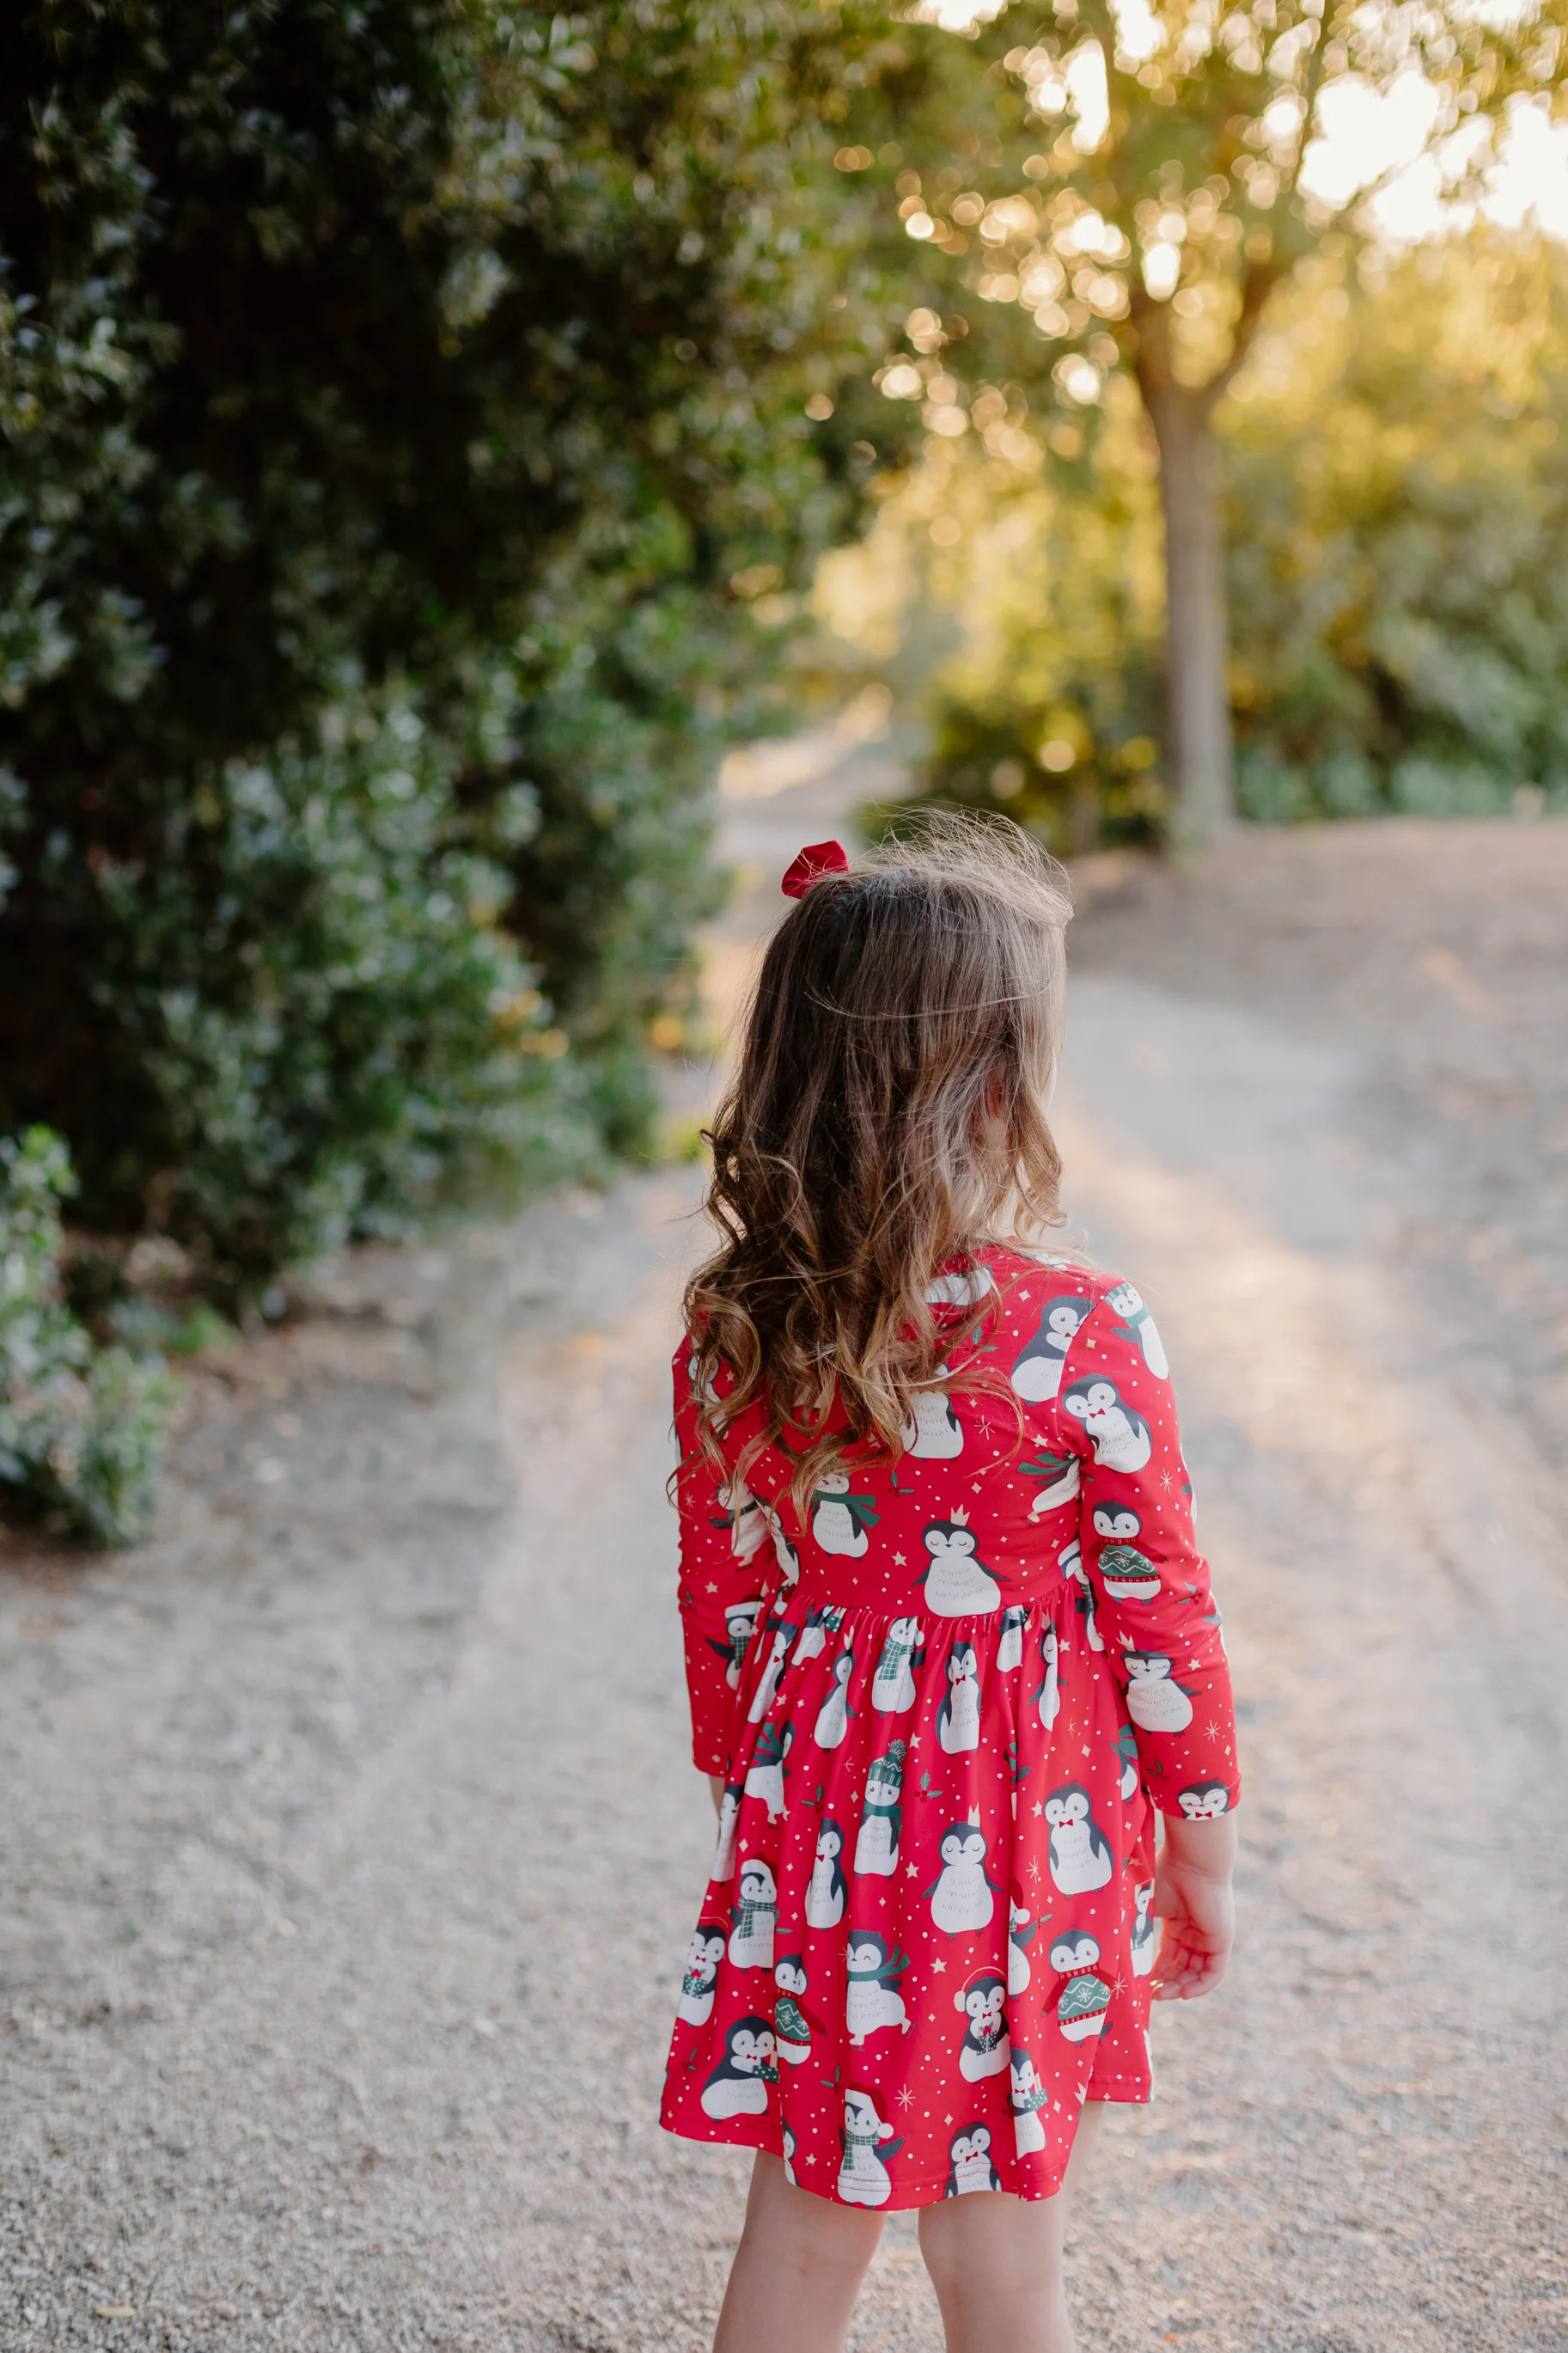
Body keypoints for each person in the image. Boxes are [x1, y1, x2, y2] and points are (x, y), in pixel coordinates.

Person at [661, 820, 1238, 2353]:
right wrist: (1203, 1840)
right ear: (988, 1086)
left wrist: (755, 1793)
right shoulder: (1083, 1329)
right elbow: (1161, 1607)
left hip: (828, 1830)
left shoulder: (737, 1332)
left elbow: (722, 1604)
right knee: (1002, 2255)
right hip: (1020, 1828)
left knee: (802, 2223)